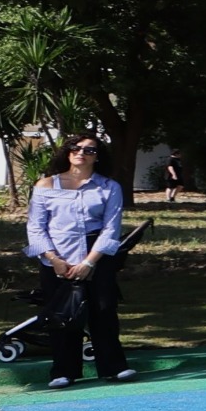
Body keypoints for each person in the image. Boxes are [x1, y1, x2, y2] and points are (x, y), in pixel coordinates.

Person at [24, 134, 135, 389]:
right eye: (76, 148)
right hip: (56, 257)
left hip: (96, 255)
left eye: (89, 150)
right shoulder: (45, 185)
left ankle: (114, 367)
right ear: (67, 152)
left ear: (97, 156)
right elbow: (35, 227)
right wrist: (53, 260)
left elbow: (111, 229)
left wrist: (89, 263)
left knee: (103, 311)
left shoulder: (109, 187)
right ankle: (63, 371)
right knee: (63, 315)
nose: (81, 153)